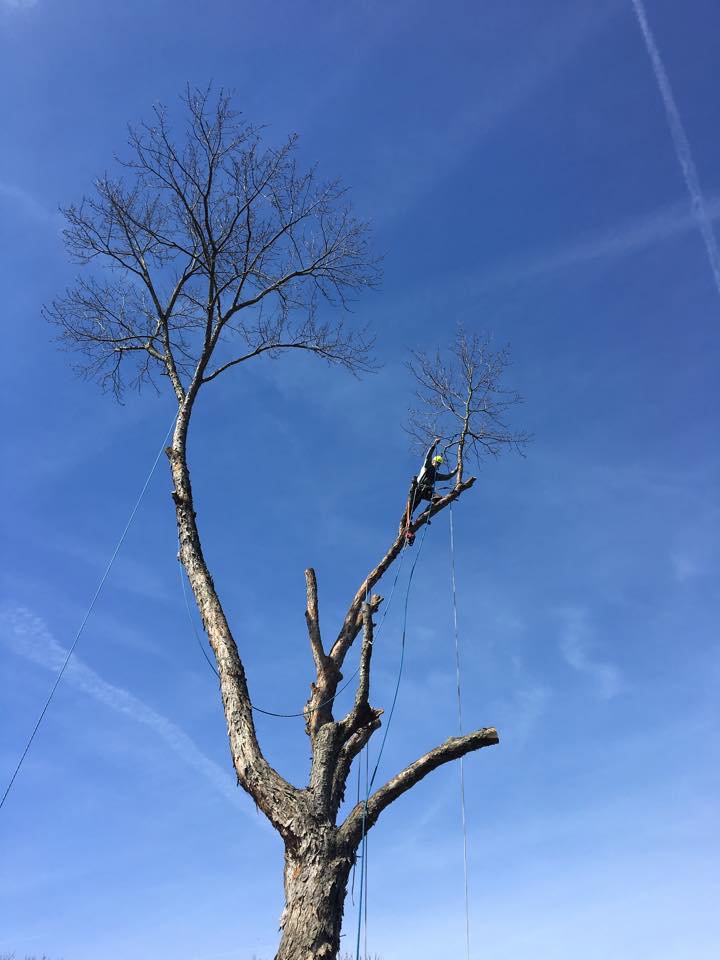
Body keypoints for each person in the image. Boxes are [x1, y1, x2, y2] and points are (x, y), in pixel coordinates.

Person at [404, 438, 457, 543]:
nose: (437, 464)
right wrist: (434, 445)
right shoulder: (427, 466)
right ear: (433, 461)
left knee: (437, 499)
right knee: (410, 511)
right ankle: (408, 531)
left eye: (439, 463)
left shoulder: (436, 475)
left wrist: (456, 470)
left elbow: (448, 477)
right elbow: (428, 456)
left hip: (427, 491)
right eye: (436, 462)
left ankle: (424, 515)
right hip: (418, 489)